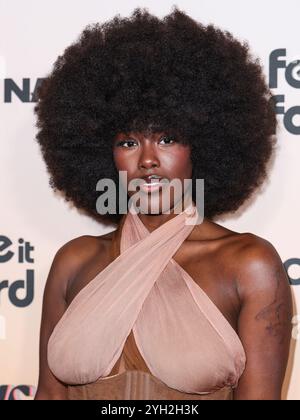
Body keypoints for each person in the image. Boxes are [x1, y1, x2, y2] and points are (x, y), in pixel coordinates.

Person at [33, 7, 292, 400]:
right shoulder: (75, 261)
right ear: (103, 153)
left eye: (167, 138)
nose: (148, 159)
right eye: (128, 142)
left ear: (202, 146)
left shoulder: (248, 265)